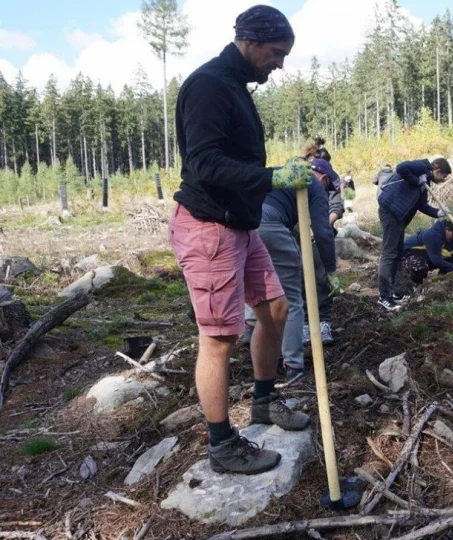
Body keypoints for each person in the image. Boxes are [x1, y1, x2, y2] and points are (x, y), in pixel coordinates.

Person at [169, 5, 311, 475]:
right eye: (275, 53)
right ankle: (222, 444)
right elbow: (203, 165)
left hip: (240, 225)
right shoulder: (209, 85)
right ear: (249, 42)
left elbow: (232, 159)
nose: (280, 63)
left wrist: (273, 174)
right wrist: (271, 177)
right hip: (209, 227)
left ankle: (265, 402)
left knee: (275, 309)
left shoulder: (235, 86)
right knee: (219, 337)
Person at [242, 158, 339, 384]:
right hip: (269, 227)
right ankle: (294, 366)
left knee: (259, 288)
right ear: (324, 178)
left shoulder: (282, 173)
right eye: (328, 187)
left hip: (243, 225)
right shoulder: (314, 186)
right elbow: (323, 232)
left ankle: (251, 330)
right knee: (292, 299)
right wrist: (331, 271)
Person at [377, 158, 452, 311]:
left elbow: (422, 205)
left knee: (398, 254)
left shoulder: (425, 183)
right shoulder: (421, 167)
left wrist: (438, 213)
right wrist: (417, 179)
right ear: (437, 170)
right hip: (390, 211)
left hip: (399, 217)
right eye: (443, 176)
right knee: (389, 255)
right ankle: (384, 297)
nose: (443, 180)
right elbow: (401, 167)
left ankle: (397, 293)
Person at [395, 220, 453, 296]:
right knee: (419, 266)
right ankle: (416, 285)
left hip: (428, 256)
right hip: (408, 256)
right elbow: (436, 260)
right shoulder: (433, 235)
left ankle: (441, 278)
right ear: (447, 229)